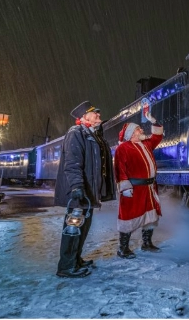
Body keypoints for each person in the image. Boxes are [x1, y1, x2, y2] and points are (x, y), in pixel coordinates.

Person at [55, 101, 116, 278]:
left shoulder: (91, 134)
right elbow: (72, 164)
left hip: (87, 193)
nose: (98, 114)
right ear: (83, 117)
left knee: (82, 227)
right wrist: (76, 186)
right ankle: (66, 266)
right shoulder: (76, 133)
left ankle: (75, 259)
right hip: (78, 193)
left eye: (98, 112)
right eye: (93, 113)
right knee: (73, 229)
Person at [114, 112, 164, 259]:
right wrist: (125, 187)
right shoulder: (123, 148)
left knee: (151, 217)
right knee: (128, 217)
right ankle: (123, 248)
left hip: (149, 188)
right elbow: (119, 169)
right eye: (138, 129)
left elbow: (157, 136)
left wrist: (154, 121)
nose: (142, 131)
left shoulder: (146, 144)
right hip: (133, 189)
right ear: (131, 134)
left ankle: (147, 243)